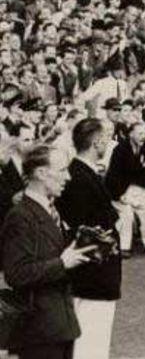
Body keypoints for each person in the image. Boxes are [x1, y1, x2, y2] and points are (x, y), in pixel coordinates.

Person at [0, 146, 95, 359]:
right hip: (38, 329)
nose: (68, 177)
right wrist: (62, 264)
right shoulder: (20, 216)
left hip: (57, 325)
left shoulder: (49, 210)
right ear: (41, 173)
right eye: (62, 170)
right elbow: (16, 273)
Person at [56, 118, 121, 359]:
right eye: (106, 138)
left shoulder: (80, 173)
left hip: (93, 273)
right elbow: (87, 227)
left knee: (91, 340)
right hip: (94, 274)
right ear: (96, 142)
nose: (109, 143)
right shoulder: (81, 177)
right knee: (91, 343)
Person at [105, 121, 145, 258]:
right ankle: (123, 247)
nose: (142, 136)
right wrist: (119, 195)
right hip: (117, 189)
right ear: (131, 134)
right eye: (139, 133)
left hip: (136, 187)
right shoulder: (120, 149)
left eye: (144, 133)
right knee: (126, 213)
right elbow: (114, 175)